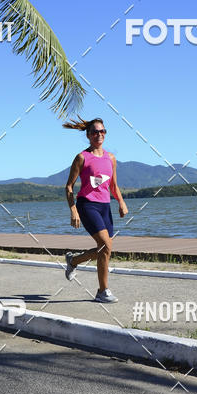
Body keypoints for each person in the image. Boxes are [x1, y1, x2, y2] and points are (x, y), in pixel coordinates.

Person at [63, 116, 128, 302]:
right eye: (95, 132)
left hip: (105, 206)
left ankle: (74, 261)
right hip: (87, 205)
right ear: (88, 135)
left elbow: (113, 186)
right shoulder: (82, 157)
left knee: (105, 250)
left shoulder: (111, 158)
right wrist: (73, 210)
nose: (99, 134)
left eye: (102, 131)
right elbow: (69, 187)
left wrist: (121, 203)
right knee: (106, 246)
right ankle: (103, 291)